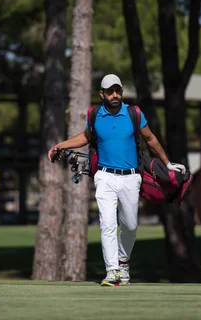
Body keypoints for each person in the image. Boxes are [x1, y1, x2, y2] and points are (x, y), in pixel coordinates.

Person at [47, 74, 186, 286]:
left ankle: (123, 261)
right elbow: (85, 137)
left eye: (118, 90)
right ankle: (112, 271)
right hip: (104, 177)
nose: (115, 95)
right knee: (107, 225)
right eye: (110, 91)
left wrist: (167, 164)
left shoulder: (134, 113)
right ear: (102, 93)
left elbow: (150, 139)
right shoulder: (94, 114)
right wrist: (60, 146)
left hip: (131, 177)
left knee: (130, 226)